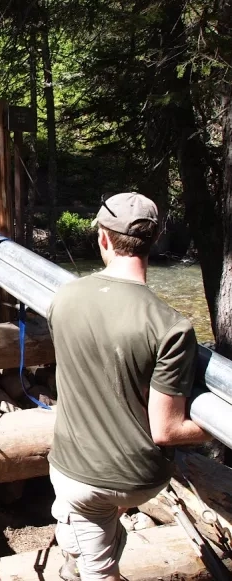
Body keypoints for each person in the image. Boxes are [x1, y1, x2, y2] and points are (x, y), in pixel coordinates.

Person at [47, 192, 210, 581]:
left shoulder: (62, 298)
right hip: (139, 478)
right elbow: (167, 430)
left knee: (96, 565)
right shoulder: (172, 325)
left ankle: (87, 554)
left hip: (77, 472)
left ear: (104, 238)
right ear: (154, 242)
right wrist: (216, 424)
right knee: (87, 524)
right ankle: (83, 545)